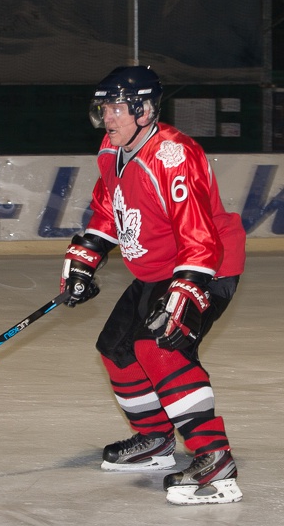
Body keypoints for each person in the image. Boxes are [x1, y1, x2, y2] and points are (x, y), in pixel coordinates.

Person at [59, 66, 246, 505]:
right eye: (104, 108)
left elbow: (199, 235)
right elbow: (110, 207)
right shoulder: (111, 147)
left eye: (117, 108)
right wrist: (86, 256)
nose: (108, 118)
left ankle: (217, 464)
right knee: (117, 349)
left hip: (205, 264)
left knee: (160, 348)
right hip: (157, 268)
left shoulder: (173, 156)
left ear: (144, 110)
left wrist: (187, 290)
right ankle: (156, 441)